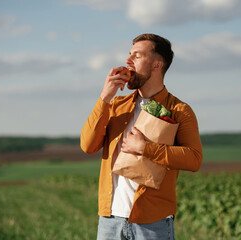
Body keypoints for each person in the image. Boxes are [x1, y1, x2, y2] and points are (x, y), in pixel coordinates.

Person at [81, 33, 203, 240]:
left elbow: (194, 159)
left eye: (136, 56)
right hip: (110, 221)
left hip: (153, 224)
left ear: (157, 64)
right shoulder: (116, 106)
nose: (128, 61)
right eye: (129, 55)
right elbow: (88, 145)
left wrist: (145, 148)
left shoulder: (180, 110)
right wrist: (105, 97)